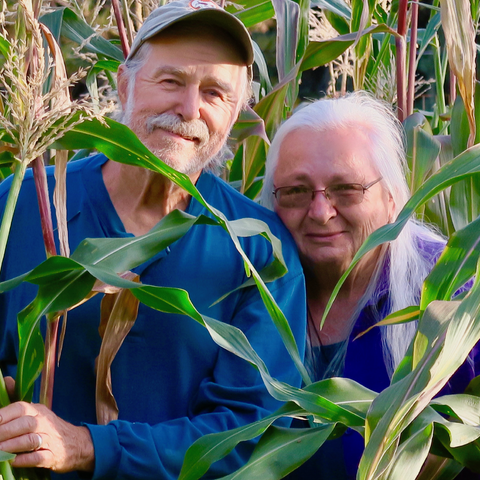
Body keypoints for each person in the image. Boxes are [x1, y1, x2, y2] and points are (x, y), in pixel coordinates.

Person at [0, 1, 306, 479]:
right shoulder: (22, 203)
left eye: (214, 92)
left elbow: (250, 432)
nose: (189, 108)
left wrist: (90, 447)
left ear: (236, 113)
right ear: (124, 83)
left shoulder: (262, 251)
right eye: (171, 81)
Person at [261, 91, 479, 479]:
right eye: (296, 191)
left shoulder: (456, 294)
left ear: (393, 197)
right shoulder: (248, 291)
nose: (321, 212)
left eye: (347, 189)